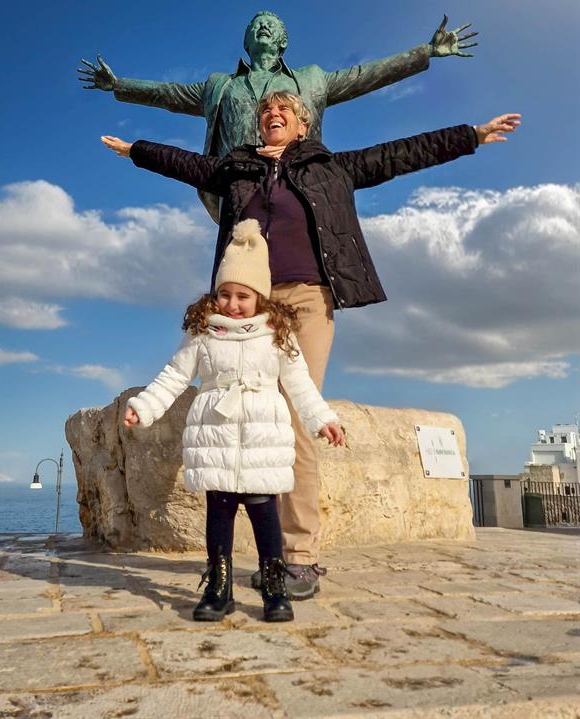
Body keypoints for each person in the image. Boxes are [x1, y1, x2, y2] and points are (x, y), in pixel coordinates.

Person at [102, 95, 521, 598]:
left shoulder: (330, 167)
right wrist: (137, 150)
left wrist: (470, 135)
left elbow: (400, 153)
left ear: (301, 125)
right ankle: (245, 553)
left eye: (282, 111)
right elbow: (188, 164)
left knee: (297, 420)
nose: (271, 116)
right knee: (246, 411)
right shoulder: (237, 168)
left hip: (306, 299)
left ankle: (298, 555)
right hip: (248, 302)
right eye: (265, 112)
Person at [124, 218, 345, 623]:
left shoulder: (277, 335)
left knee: (265, 517)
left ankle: (274, 586)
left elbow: (299, 385)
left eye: (242, 295)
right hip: (217, 439)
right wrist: (145, 406)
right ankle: (219, 587)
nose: (232, 303)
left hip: (262, 440)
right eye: (224, 293)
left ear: (260, 297)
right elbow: (174, 375)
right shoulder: (203, 334)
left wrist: (322, 420)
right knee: (219, 515)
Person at [81, 11, 478, 221]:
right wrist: (118, 86)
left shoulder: (312, 80)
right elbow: (167, 94)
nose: (264, 26)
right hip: (237, 192)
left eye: (271, 24)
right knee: (238, 288)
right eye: (257, 24)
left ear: (283, 40)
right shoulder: (220, 86)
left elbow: (365, 77)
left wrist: (424, 52)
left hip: (297, 190)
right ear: (247, 40)